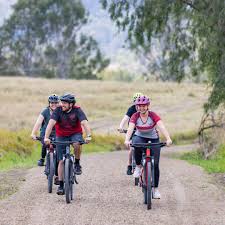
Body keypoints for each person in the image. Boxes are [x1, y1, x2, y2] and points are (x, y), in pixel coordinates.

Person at [124, 95, 172, 199]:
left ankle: (155, 190)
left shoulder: (153, 115)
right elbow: (131, 128)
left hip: (153, 138)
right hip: (139, 136)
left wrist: (168, 138)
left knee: (156, 165)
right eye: (139, 106)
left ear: (148, 106)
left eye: (144, 106)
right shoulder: (135, 116)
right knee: (135, 144)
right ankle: (137, 166)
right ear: (137, 106)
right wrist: (127, 139)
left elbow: (161, 126)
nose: (141, 108)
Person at [44, 93, 92, 195]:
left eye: (65, 103)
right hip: (61, 135)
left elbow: (84, 123)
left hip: (75, 134)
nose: (62, 104)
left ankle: (77, 163)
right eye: (62, 102)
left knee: (76, 144)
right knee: (61, 161)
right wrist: (46, 137)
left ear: (71, 104)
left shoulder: (77, 110)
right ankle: (61, 185)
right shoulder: (58, 110)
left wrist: (88, 135)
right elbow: (51, 123)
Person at [31, 94, 59, 166]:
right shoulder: (45, 111)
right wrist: (33, 133)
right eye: (52, 103)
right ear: (49, 103)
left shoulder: (61, 111)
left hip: (57, 132)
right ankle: (42, 158)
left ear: (58, 103)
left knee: (59, 145)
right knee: (45, 142)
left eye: (56, 103)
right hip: (45, 131)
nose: (54, 104)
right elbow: (38, 122)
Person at [118, 92, 143, 175]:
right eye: (137, 101)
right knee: (132, 148)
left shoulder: (145, 109)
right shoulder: (131, 109)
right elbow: (125, 118)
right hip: (132, 130)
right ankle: (129, 165)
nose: (139, 105)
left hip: (142, 131)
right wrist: (121, 126)